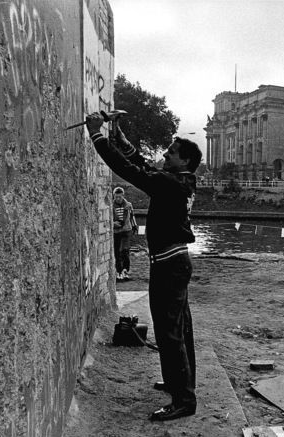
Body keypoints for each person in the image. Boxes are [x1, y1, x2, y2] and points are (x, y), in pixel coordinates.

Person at [86, 112, 201, 422]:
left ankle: (183, 400)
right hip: (174, 264)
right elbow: (145, 167)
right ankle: (180, 384)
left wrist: (97, 135)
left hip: (170, 266)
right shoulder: (179, 180)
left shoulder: (171, 183)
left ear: (184, 160)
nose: (165, 153)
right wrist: (121, 139)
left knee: (170, 332)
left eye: (172, 152)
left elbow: (131, 171)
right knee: (179, 328)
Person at [112, 186, 137, 281]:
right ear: (114, 196)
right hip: (116, 231)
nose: (118, 199)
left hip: (126, 230)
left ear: (123, 196)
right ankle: (118, 271)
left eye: (120, 197)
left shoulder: (129, 205)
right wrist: (113, 224)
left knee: (124, 250)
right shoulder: (111, 206)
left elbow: (132, 216)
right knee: (117, 252)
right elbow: (108, 218)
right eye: (116, 197)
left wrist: (134, 226)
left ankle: (125, 270)